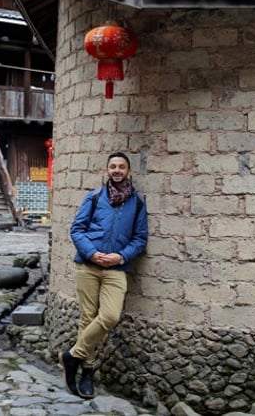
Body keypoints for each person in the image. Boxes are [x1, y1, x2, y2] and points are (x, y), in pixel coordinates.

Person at [60, 151, 148, 399]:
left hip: (116, 268)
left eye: (121, 167)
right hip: (88, 266)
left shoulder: (138, 203)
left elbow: (140, 238)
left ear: (128, 171)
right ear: (107, 170)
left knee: (109, 316)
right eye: (113, 166)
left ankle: (72, 356)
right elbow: (77, 230)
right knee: (88, 318)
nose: (117, 170)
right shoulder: (95, 197)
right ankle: (87, 371)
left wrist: (120, 257)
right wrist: (92, 253)